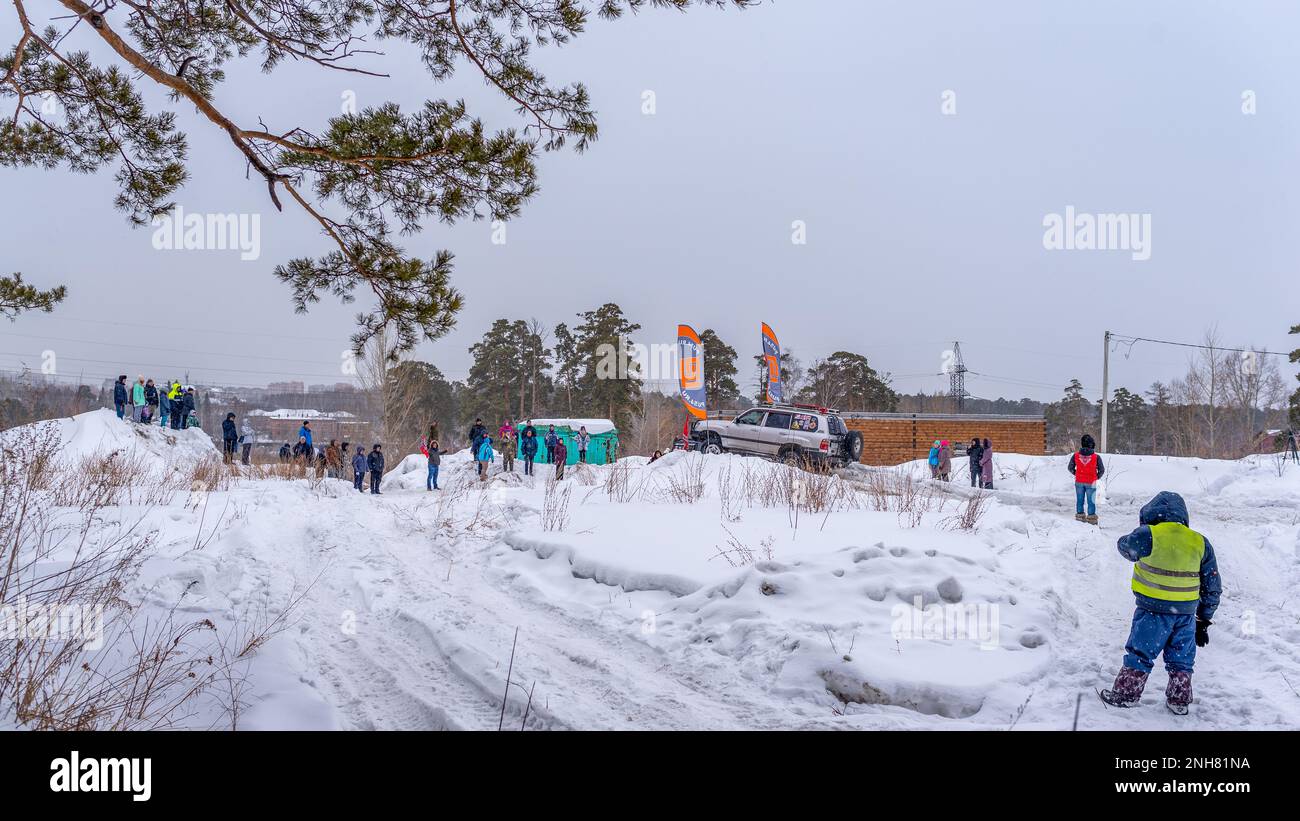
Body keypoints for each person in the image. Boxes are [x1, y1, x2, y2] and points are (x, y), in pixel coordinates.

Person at [1099, 492, 1221, 715]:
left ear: (1151, 513)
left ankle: (1126, 694)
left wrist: (1138, 533)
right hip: (1185, 616)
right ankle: (1179, 700)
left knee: (1141, 652)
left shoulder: (1149, 534)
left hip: (1152, 612)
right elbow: (1212, 585)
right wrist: (1204, 619)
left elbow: (1125, 547)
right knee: (1182, 658)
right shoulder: (1200, 542)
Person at [1068, 433, 1106, 524]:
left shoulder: (1075, 455)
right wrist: (1096, 477)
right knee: (1091, 501)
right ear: (1092, 445)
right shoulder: (1096, 457)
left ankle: (1080, 517)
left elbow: (1070, 467)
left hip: (1079, 481)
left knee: (1080, 500)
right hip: (1091, 482)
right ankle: (1091, 519)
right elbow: (1102, 470)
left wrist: (1077, 473)